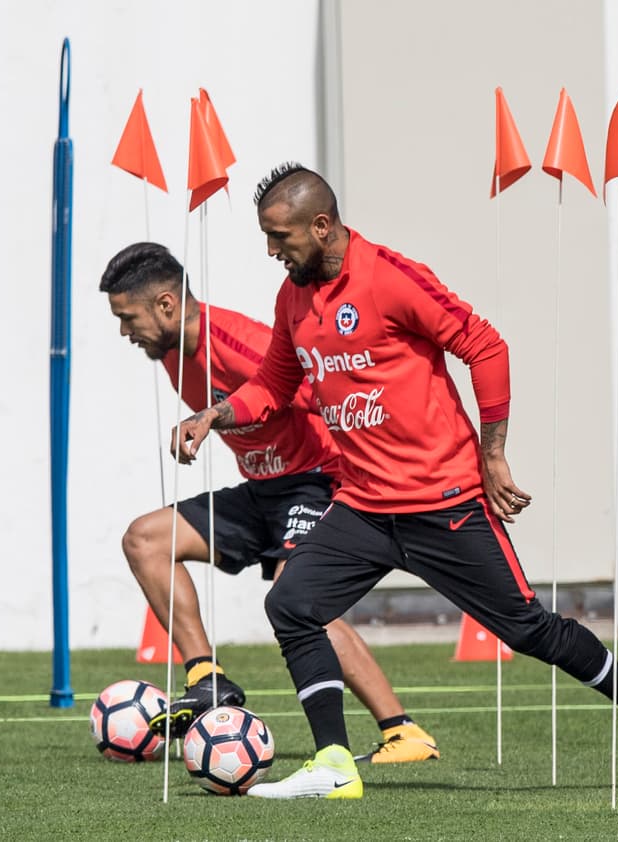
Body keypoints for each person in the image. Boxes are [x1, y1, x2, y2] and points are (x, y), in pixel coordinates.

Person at [173, 164, 618, 800]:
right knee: (291, 605)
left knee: (529, 630)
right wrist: (213, 414)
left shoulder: (390, 277)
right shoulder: (292, 301)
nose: (272, 250)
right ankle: (335, 762)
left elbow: (486, 346)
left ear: (322, 225)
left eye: (280, 237)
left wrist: (493, 456)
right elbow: (276, 386)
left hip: (444, 503)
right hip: (362, 507)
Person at [100, 241, 439, 764]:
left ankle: (403, 733)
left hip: (316, 479)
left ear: (166, 304)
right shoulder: (171, 353)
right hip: (263, 492)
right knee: (145, 539)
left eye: (128, 317)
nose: (125, 332)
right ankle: (206, 680)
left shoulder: (237, 341)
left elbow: (322, 392)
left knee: (297, 598)